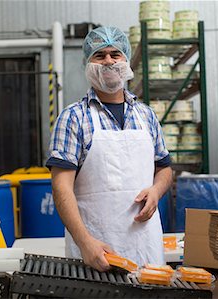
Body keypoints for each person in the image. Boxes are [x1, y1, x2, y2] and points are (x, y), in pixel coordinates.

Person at [46, 26, 173, 272]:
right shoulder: (73, 117)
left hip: (146, 247)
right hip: (96, 251)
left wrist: (157, 191)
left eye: (115, 54)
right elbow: (61, 187)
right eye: (99, 55)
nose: (108, 61)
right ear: (88, 63)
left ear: (126, 60)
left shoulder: (146, 115)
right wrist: (85, 243)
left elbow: (165, 169)